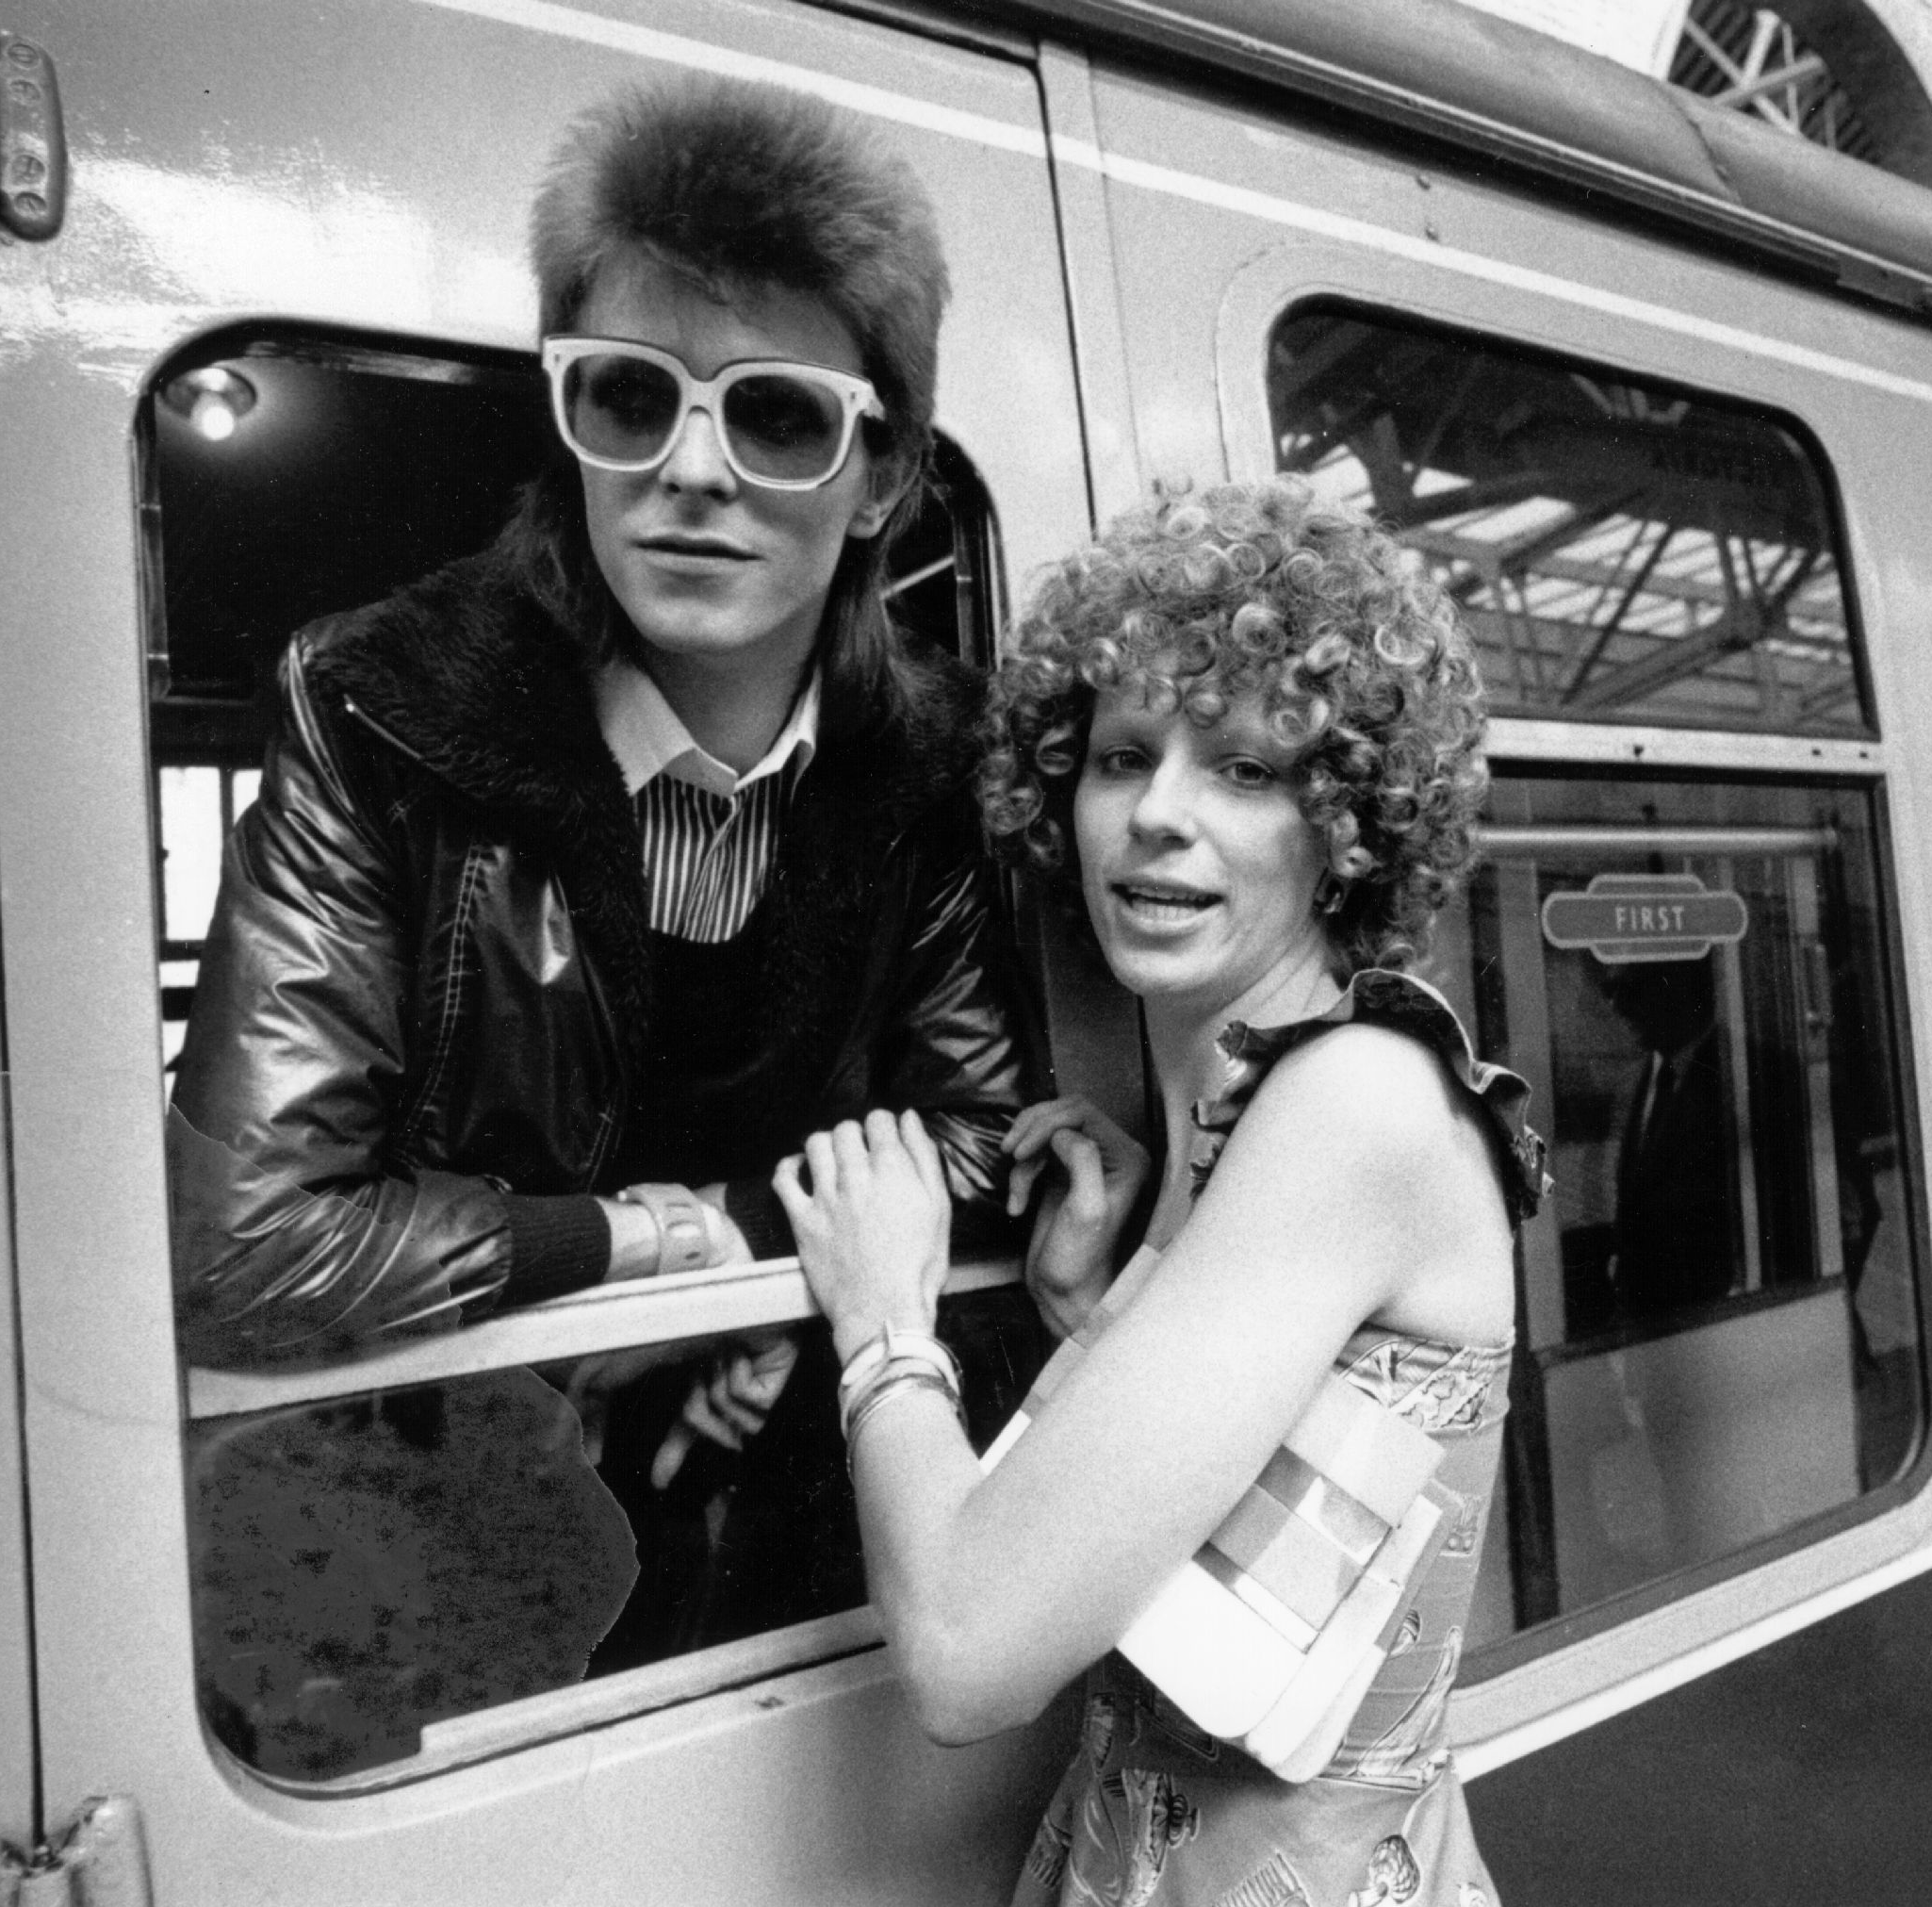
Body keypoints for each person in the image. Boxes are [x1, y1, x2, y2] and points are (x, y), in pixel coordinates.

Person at [165, 75, 1033, 1775]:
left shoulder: (922, 767)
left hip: (791, 1528)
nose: (689, 475)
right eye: (630, 398)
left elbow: (988, 1136)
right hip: (447, 1510)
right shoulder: (386, 711)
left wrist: (752, 1239)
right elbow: (246, 1251)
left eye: (776, 417)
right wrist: (635, 1242)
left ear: (882, 479)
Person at [778, 482, 1546, 1905]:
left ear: (1346, 825)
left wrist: (888, 1326)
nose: (1157, 817)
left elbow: (964, 1650)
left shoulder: (1352, 1105)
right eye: (1124, 755)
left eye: (1248, 772)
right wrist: (1092, 1307)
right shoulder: (1249, 1119)